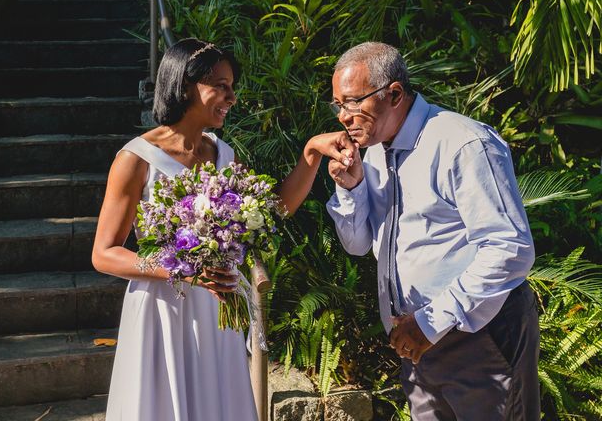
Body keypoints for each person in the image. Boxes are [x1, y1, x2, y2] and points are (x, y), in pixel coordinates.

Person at [92, 37, 353, 421]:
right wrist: (186, 272)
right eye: (221, 86)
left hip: (218, 310)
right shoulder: (136, 159)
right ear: (184, 86)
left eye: (232, 87)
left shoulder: (223, 153)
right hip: (164, 310)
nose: (231, 97)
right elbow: (104, 253)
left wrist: (311, 153)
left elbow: (272, 209)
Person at [325, 42, 539, 420]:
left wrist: (430, 322)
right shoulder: (373, 150)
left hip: (478, 335)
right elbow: (358, 245)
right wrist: (351, 187)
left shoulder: (462, 144)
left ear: (393, 94)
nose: (343, 116)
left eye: (353, 102)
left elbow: (509, 249)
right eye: (338, 105)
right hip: (414, 343)